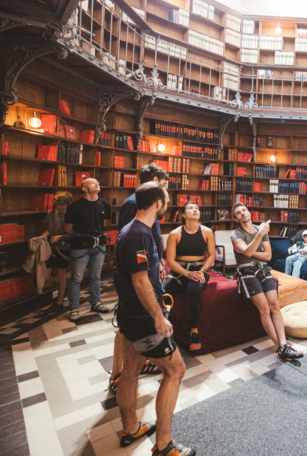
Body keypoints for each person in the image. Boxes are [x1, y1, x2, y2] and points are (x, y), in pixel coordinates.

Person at [114, 182, 193, 456]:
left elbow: (140, 274)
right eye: (167, 200)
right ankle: (164, 446)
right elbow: (139, 282)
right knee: (175, 371)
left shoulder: (128, 231)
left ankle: (131, 428)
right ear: (158, 202)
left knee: (131, 371)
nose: (168, 205)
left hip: (129, 316)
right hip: (144, 318)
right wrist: (158, 317)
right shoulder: (139, 234)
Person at [109, 164, 169, 391]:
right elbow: (132, 242)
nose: (165, 191)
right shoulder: (135, 203)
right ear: (154, 181)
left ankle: (135, 365)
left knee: (131, 327)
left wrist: (157, 260)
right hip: (137, 274)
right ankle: (117, 374)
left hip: (148, 264)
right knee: (127, 326)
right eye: (163, 185)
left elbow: (151, 236)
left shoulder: (147, 203)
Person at [230, 202, 303, 360]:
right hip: (246, 270)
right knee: (264, 308)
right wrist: (258, 238)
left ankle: (284, 344)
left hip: (263, 268)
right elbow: (247, 252)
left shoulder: (260, 230)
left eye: (244, 210)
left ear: (249, 212)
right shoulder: (236, 234)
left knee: (275, 305)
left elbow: (268, 256)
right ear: (236, 218)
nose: (243, 213)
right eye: (238, 212)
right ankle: (281, 347)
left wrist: (251, 250)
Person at [164, 201, 216, 352]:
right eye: (190, 208)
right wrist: (186, 273)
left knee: (194, 290)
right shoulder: (175, 234)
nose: (195, 210)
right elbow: (170, 260)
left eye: (197, 209)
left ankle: (194, 333)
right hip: (179, 272)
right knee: (164, 293)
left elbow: (212, 255)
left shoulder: (207, 232)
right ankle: (160, 330)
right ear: (182, 214)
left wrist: (203, 270)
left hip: (199, 269)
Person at [64, 178, 112, 322]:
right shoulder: (75, 206)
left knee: (96, 276)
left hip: (99, 244)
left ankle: (95, 303)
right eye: (92, 183)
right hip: (80, 245)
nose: (97, 183)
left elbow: (103, 224)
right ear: (84, 189)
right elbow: (68, 228)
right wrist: (84, 236)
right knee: (76, 279)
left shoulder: (105, 204)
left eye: (97, 182)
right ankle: (74, 309)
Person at [43, 191, 73, 314]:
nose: (59, 207)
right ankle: (62, 287)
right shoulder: (50, 213)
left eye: (62, 205)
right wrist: (39, 237)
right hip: (51, 246)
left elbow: (72, 233)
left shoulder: (71, 215)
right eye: (57, 204)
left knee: (61, 274)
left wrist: (61, 237)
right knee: (46, 276)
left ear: (69, 204)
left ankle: (59, 301)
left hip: (64, 248)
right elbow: (49, 229)